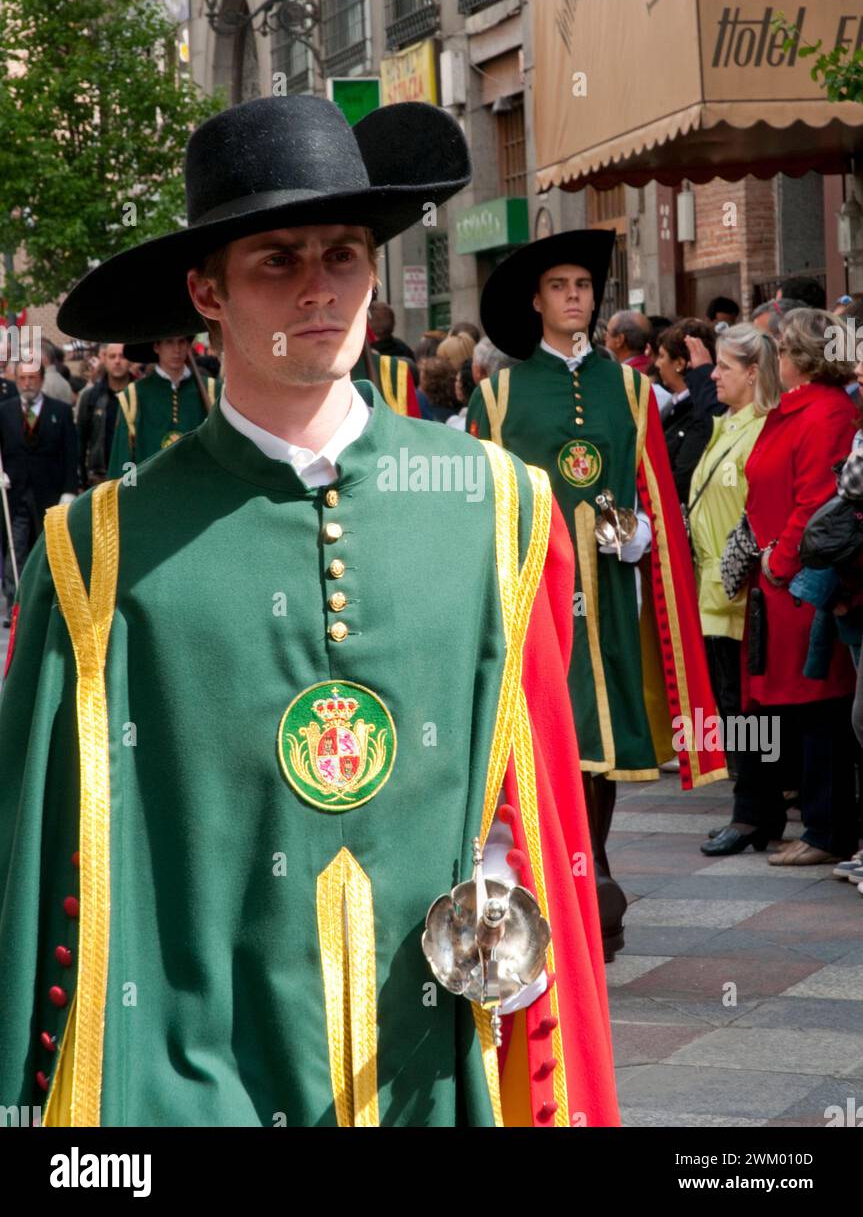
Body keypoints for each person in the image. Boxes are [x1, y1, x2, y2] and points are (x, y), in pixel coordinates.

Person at [0, 94, 619, 1129]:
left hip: (435, 1069)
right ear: (206, 290)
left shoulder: (498, 507)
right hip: (188, 1082)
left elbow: (532, 789)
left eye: (342, 254)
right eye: (276, 261)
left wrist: (508, 914)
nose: (319, 287)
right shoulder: (96, 549)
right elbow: (35, 861)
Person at [465, 231, 725, 960]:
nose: (574, 295)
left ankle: (596, 869)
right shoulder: (500, 391)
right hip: (534, 589)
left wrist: (639, 533)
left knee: (604, 736)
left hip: (607, 588)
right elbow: (478, 498)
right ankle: (561, 879)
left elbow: (647, 485)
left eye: (583, 284)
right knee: (555, 724)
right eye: (559, 285)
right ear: (536, 301)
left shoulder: (632, 387)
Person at [707, 309, 860, 863]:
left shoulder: (826, 414)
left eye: (782, 349)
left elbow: (817, 500)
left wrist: (780, 561)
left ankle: (824, 829)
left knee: (818, 706)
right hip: (772, 582)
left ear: (799, 359)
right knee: (764, 705)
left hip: (798, 584)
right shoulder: (792, 410)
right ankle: (758, 813)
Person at [689, 326, 780, 808]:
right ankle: (749, 801)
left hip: (740, 592)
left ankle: (755, 804)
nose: (713, 375)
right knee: (731, 703)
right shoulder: (725, 423)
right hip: (712, 591)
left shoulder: (760, 427)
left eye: (723, 367)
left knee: (746, 705)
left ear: (751, 372)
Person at [0, 361, 78, 623]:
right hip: (16, 492)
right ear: (16, 379)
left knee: (49, 547)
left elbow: (71, 454)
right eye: (22, 378)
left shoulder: (61, 412)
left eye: (32, 378)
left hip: (50, 492)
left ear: (42, 379)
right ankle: (16, 604)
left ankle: (49, 601)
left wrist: (69, 489)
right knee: (16, 548)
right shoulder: (5, 411)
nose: (27, 383)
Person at [106, 336, 218, 476]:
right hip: (149, 492)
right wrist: (129, 492)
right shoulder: (134, 395)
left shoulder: (212, 391)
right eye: (169, 342)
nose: (177, 349)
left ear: (188, 346)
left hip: (201, 490)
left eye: (182, 342)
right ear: (156, 346)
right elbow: (125, 458)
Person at [655, 318, 717, 503]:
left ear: (679, 363)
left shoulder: (698, 411)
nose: (657, 364)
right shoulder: (674, 407)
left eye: (662, 356)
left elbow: (682, 481)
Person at [76, 343, 132, 487]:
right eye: (112, 356)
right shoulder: (91, 397)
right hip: (99, 477)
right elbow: (81, 440)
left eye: (122, 356)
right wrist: (80, 481)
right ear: (104, 359)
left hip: (132, 475)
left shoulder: (139, 395)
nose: (117, 361)